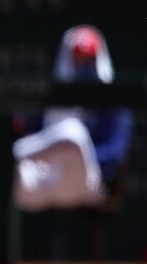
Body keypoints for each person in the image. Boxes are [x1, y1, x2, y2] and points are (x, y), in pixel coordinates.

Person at [12, 25, 134, 212]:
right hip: (47, 177)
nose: (85, 67)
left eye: (89, 60)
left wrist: (78, 154)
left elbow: (114, 153)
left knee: (72, 131)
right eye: (80, 60)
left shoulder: (114, 102)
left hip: (89, 183)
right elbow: (33, 132)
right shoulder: (49, 97)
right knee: (9, 178)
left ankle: (13, 153)